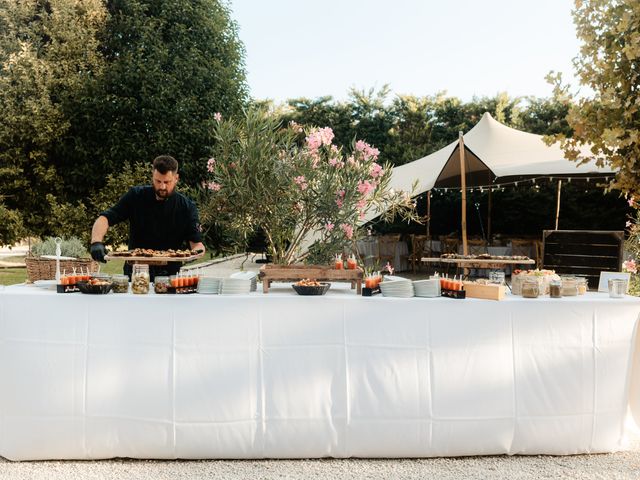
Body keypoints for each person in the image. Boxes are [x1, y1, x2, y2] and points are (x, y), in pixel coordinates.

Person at [90, 155, 206, 279]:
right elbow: (105, 218)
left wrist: (194, 254)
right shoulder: (135, 196)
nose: (162, 187)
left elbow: (197, 245)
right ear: (152, 176)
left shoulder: (187, 207)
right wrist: (96, 242)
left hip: (169, 276)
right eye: (158, 181)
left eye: (167, 182)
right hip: (135, 272)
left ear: (176, 178)